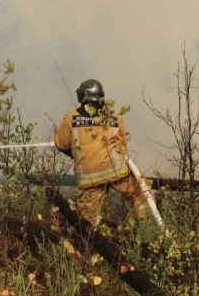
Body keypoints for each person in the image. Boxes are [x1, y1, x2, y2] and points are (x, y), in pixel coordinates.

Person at [55, 79, 149, 225]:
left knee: (87, 221)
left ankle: (88, 238)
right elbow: (122, 145)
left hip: (89, 178)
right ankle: (141, 228)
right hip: (117, 172)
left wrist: (78, 155)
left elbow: (61, 144)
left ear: (82, 96)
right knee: (142, 194)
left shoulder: (70, 118)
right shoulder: (115, 117)